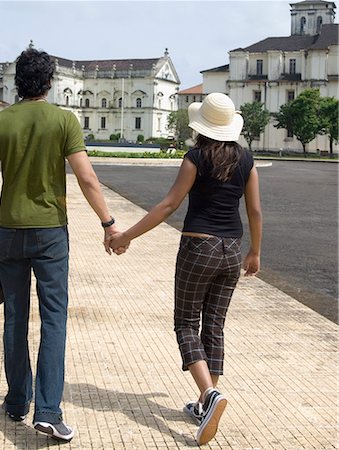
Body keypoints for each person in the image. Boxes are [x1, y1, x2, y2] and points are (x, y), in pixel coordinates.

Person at [0, 48, 121, 443]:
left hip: (9, 231)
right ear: (50, 82)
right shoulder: (64, 120)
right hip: (52, 233)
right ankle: (48, 411)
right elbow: (88, 178)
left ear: (16, 82)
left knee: (14, 319)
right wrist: (107, 223)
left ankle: (17, 400)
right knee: (54, 320)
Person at [108, 93, 262, 446]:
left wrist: (126, 236)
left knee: (185, 324)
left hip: (198, 247)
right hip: (231, 250)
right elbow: (255, 211)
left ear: (201, 127)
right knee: (215, 325)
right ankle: (204, 401)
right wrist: (255, 251)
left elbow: (168, 205)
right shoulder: (247, 159)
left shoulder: (195, 157)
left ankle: (209, 395)